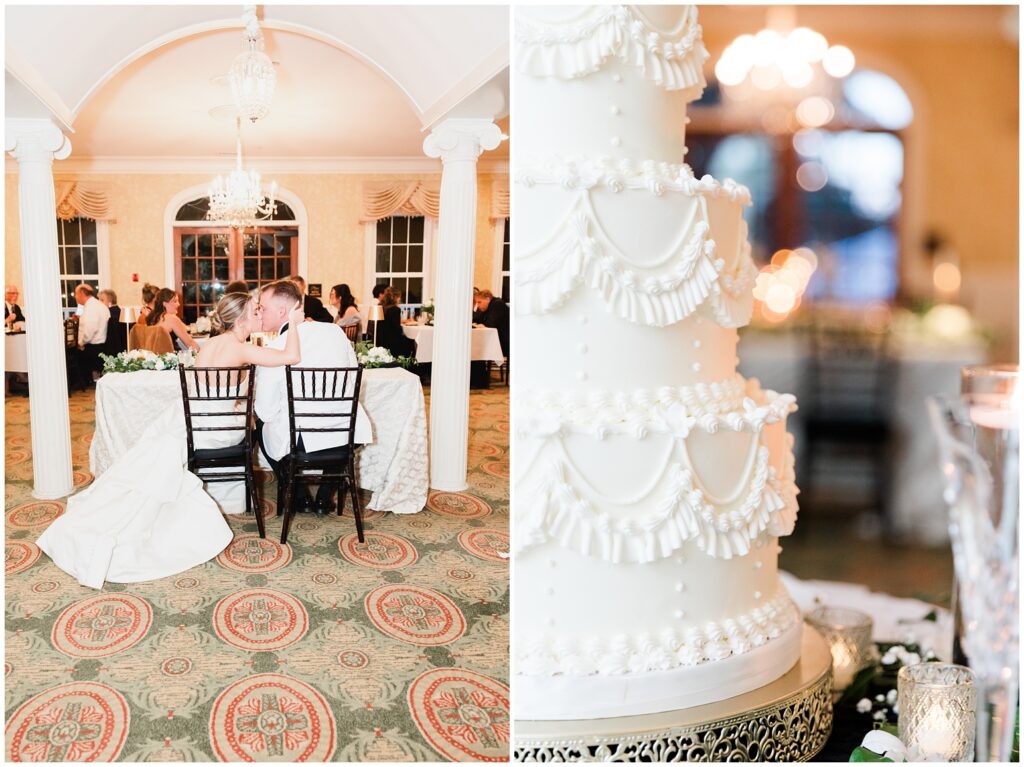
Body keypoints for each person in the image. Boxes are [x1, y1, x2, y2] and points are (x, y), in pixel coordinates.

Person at [36, 292, 306, 590]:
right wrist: (293, 323)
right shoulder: (240, 349)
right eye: (256, 312)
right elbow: (291, 357)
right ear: (241, 319)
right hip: (217, 430)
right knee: (257, 427)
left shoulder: (212, 344)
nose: (260, 316)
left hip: (195, 423)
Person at [255, 279, 370, 514]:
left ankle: (298, 496)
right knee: (336, 422)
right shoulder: (336, 332)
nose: (260, 313)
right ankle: (325, 496)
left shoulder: (276, 347)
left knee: (259, 423)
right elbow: (349, 379)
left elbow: (265, 411)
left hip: (300, 440)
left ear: (282, 311)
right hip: (344, 433)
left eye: (262, 308)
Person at [76, 284, 110, 383]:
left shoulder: (91, 307)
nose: (75, 297)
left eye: (77, 294)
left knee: (71, 354)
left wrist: (81, 342)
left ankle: (90, 381)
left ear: (82, 293)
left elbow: (89, 330)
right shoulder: (98, 305)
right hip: (102, 346)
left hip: (94, 348)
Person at [375, 286, 416, 358]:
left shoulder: (380, 307)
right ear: (395, 297)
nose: (400, 299)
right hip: (392, 342)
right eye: (399, 297)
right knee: (412, 342)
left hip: (381, 340)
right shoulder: (395, 309)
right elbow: (397, 329)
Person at [475, 289, 510, 357]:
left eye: (479, 302)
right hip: (495, 339)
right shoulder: (488, 306)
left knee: (478, 347)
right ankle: (478, 366)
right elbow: (477, 320)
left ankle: (478, 366)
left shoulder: (498, 304)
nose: (478, 305)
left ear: (488, 299)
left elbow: (490, 324)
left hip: (504, 341)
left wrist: (479, 324)